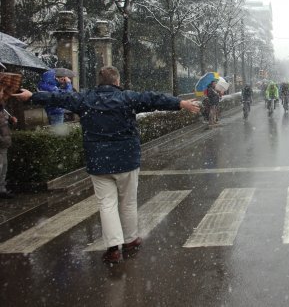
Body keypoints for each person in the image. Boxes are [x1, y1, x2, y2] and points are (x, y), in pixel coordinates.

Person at [12, 66, 200, 264]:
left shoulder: (85, 99)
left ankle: (112, 248)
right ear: (117, 81)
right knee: (128, 203)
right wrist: (181, 103)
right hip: (127, 159)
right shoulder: (128, 98)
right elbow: (154, 99)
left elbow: (58, 98)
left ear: (99, 82)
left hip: (99, 160)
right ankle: (130, 240)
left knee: (106, 204)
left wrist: (32, 96)